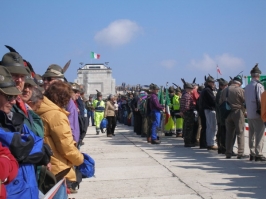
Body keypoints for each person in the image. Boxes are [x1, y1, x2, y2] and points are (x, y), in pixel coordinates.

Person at [0, 65, 50, 198]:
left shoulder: (14, 117)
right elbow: (19, 147)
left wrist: (32, 146)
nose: (13, 101)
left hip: (28, 189)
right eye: (8, 96)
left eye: (14, 96)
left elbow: (41, 146)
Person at [36, 81, 84, 193]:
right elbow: (66, 146)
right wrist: (80, 159)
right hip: (59, 169)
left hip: (48, 165)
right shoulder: (56, 115)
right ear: (63, 98)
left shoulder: (42, 109)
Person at [220, 75, 248, 159]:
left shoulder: (224, 90)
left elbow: (220, 102)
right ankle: (240, 153)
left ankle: (228, 152)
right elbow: (245, 101)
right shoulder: (240, 90)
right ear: (239, 83)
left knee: (229, 133)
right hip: (238, 112)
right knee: (240, 133)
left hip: (227, 113)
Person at [244, 64, 265, 161]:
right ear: (258, 75)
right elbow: (262, 100)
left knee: (251, 135)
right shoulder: (259, 86)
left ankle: (252, 153)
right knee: (259, 134)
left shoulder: (247, 86)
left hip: (250, 113)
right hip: (258, 113)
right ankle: (258, 154)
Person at [200, 75, 218, 150]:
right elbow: (213, 100)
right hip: (210, 109)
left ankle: (209, 142)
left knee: (209, 127)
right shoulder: (208, 90)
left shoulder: (205, 90)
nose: (213, 84)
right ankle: (211, 143)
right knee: (212, 127)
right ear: (208, 83)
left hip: (207, 110)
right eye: (212, 82)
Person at [216, 78, 228, 154]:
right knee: (223, 132)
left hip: (220, 115)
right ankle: (223, 147)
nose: (227, 86)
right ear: (222, 86)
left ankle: (221, 147)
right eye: (226, 85)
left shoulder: (220, 92)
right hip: (222, 115)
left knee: (221, 132)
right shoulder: (221, 93)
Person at [180, 82, 195, 147]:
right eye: (191, 89)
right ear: (187, 89)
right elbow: (186, 106)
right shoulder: (188, 96)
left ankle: (187, 141)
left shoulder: (184, 95)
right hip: (188, 112)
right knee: (189, 128)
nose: (192, 90)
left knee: (186, 127)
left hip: (186, 113)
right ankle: (188, 142)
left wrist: (182, 112)